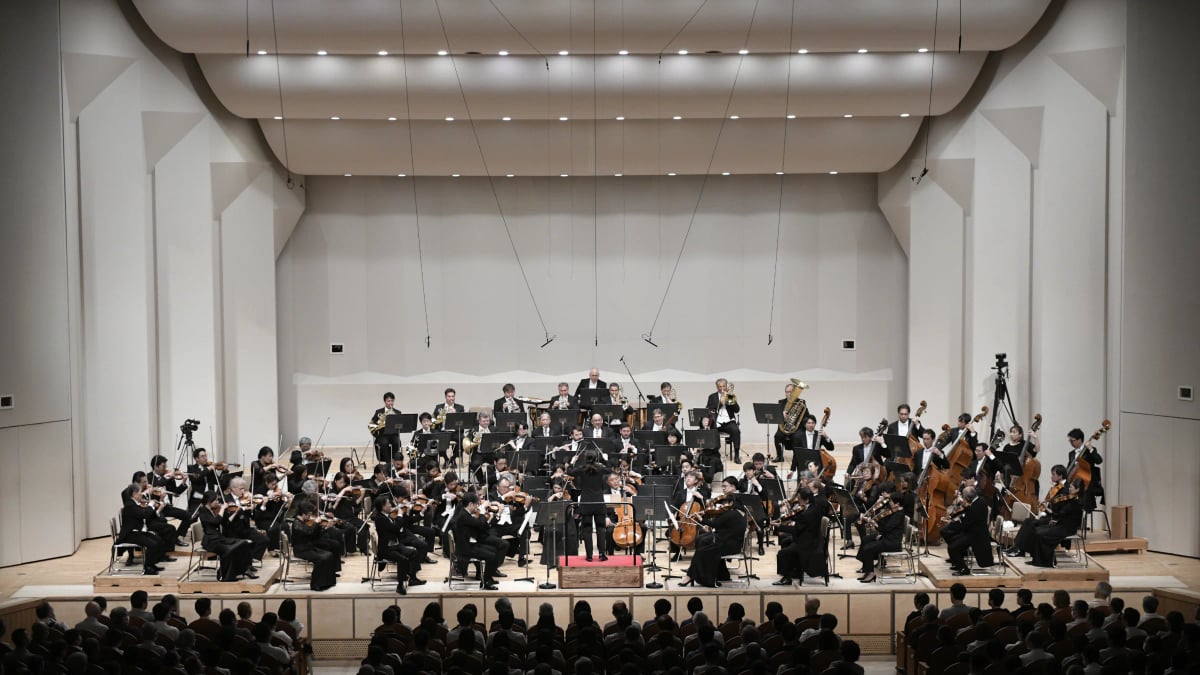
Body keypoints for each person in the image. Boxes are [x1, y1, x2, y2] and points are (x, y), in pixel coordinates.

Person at [680, 477, 747, 588]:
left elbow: (717, 524)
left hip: (729, 544)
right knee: (701, 539)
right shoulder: (736, 511)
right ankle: (717, 573)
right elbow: (726, 527)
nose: (724, 504)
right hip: (728, 540)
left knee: (702, 546)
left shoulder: (732, 513)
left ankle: (695, 575)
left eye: (725, 486)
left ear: (731, 501)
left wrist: (702, 520)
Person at [451, 493, 506, 590]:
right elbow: (479, 523)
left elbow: (479, 525)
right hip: (465, 549)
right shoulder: (463, 515)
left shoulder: (465, 514)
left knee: (494, 550)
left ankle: (488, 577)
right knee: (491, 555)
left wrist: (487, 518)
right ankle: (486, 581)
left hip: (469, 544)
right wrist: (482, 512)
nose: (477, 507)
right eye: (476, 505)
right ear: (471, 504)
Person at [773, 487, 827, 586]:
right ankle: (794, 571)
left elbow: (795, 530)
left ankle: (787, 578)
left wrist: (781, 526)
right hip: (815, 539)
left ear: (806, 500)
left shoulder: (807, 514)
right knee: (785, 542)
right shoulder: (815, 506)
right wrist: (787, 518)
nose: (798, 500)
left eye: (799, 499)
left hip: (807, 544)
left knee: (782, 553)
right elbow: (800, 518)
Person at [196, 490, 254, 581]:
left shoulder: (214, 510)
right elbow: (216, 521)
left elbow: (226, 523)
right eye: (216, 500)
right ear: (209, 501)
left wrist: (234, 513)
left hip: (219, 538)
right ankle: (226, 576)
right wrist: (222, 509)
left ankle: (241, 570)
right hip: (210, 541)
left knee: (243, 543)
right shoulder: (202, 511)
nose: (218, 502)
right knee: (228, 550)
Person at [372, 495, 425, 594]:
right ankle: (400, 585)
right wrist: (400, 515)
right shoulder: (380, 518)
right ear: (383, 507)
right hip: (386, 549)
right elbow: (395, 528)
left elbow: (396, 528)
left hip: (394, 545)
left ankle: (412, 578)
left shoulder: (386, 516)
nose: (390, 505)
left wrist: (403, 513)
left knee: (414, 553)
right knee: (403, 559)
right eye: (388, 503)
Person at [1028, 479, 1085, 568]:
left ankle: (1046, 562)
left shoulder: (1076, 502)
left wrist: (1047, 509)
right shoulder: (1071, 500)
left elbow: (1059, 514)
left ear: (1077, 490)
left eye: (1071, 487)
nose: (1069, 489)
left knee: (1040, 533)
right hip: (1062, 525)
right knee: (1037, 530)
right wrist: (1055, 520)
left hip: (1067, 529)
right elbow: (1063, 516)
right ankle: (1037, 560)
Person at [119, 484, 173, 575]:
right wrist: (151, 505)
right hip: (130, 534)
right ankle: (147, 567)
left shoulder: (136, 503)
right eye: (140, 492)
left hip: (138, 532)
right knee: (153, 544)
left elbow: (147, 515)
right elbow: (144, 514)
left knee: (159, 540)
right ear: (135, 494)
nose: (142, 494)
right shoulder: (130, 505)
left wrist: (157, 510)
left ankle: (151, 564)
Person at [289, 497, 341, 591]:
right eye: (308, 514)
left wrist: (323, 528)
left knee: (329, 555)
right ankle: (316, 584)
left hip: (309, 547)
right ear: (303, 513)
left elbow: (312, 535)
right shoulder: (296, 523)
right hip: (301, 550)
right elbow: (308, 532)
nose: (310, 516)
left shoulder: (303, 521)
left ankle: (327, 582)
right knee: (322, 558)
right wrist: (316, 523)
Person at [569, 450, 612, 561]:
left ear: (585, 459)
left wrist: (572, 461)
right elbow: (610, 469)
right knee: (601, 529)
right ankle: (602, 554)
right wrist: (605, 459)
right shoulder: (600, 468)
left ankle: (589, 556)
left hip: (586, 503)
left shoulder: (581, 469)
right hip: (598, 502)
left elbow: (570, 472)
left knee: (587, 530)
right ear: (595, 459)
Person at [856, 490, 905, 583]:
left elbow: (886, 528)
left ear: (897, 504)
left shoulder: (898, 515)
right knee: (866, 539)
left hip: (892, 542)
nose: (888, 503)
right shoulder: (894, 512)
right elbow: (886, 527)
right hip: (887, 537)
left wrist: (875, 524)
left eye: (890, 502)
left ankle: (871, 573)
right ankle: (866, 569)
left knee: (868, 548)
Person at [945, 485, 993, 575]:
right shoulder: (977, 501)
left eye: (964, 496)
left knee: (953, 548)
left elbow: (966, 522)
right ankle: (958, 563)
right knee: (952, 541)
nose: (963, 499)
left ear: (968, 497)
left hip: (977, 535)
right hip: (971, 531)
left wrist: (960, 516)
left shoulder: (978, 505)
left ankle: (963, 569)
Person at [1066, 427, 1104, 510]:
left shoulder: (1089, 450)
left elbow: (1099, 461)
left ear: (1079, 440)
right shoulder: (1071, 454)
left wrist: (1090, 448)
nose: (1071, 443)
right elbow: (1070, 468)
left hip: (1086, 481)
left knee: (1081, 491)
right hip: (1075, 482)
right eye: (1070, 441)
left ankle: (1081, 512)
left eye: (1072, 440)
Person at [705, 378, 741, 462]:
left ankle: (736, 455)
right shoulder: (712, 397)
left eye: (723, 386)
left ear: (726, 386)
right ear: (717, 387)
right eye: (719, 386)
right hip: (716, 422)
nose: (722, 388)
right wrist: (720, 403)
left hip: (729, 421)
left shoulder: (731, 395)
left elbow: (737, 410)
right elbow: (709, 410)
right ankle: (715, 453)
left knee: (736, 431)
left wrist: (729, 400)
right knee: (712, 432)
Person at [789, 414, 835, 478]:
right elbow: (796, 454)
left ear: (815, 424)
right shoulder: (798, 436)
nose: (811, 425)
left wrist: (826, 437)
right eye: (809, 423)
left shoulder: (819, 435)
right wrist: (792, 470)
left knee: (816, 485)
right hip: (803, 464)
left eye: (813, 423)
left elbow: (831, 448)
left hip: (816, 465)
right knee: (803, 485)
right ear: (805, 425)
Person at [370, 392, 401, 463]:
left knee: (397, 442)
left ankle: (395, 460)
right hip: (382, 435)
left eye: (392, 401)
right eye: (388, 401)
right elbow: (372, 424)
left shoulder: (398, 412)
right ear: (385, 401)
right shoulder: (379, 412)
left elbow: (400, 425)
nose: (390, 403)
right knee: (384, 443)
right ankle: (389, 462)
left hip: (393, 434)